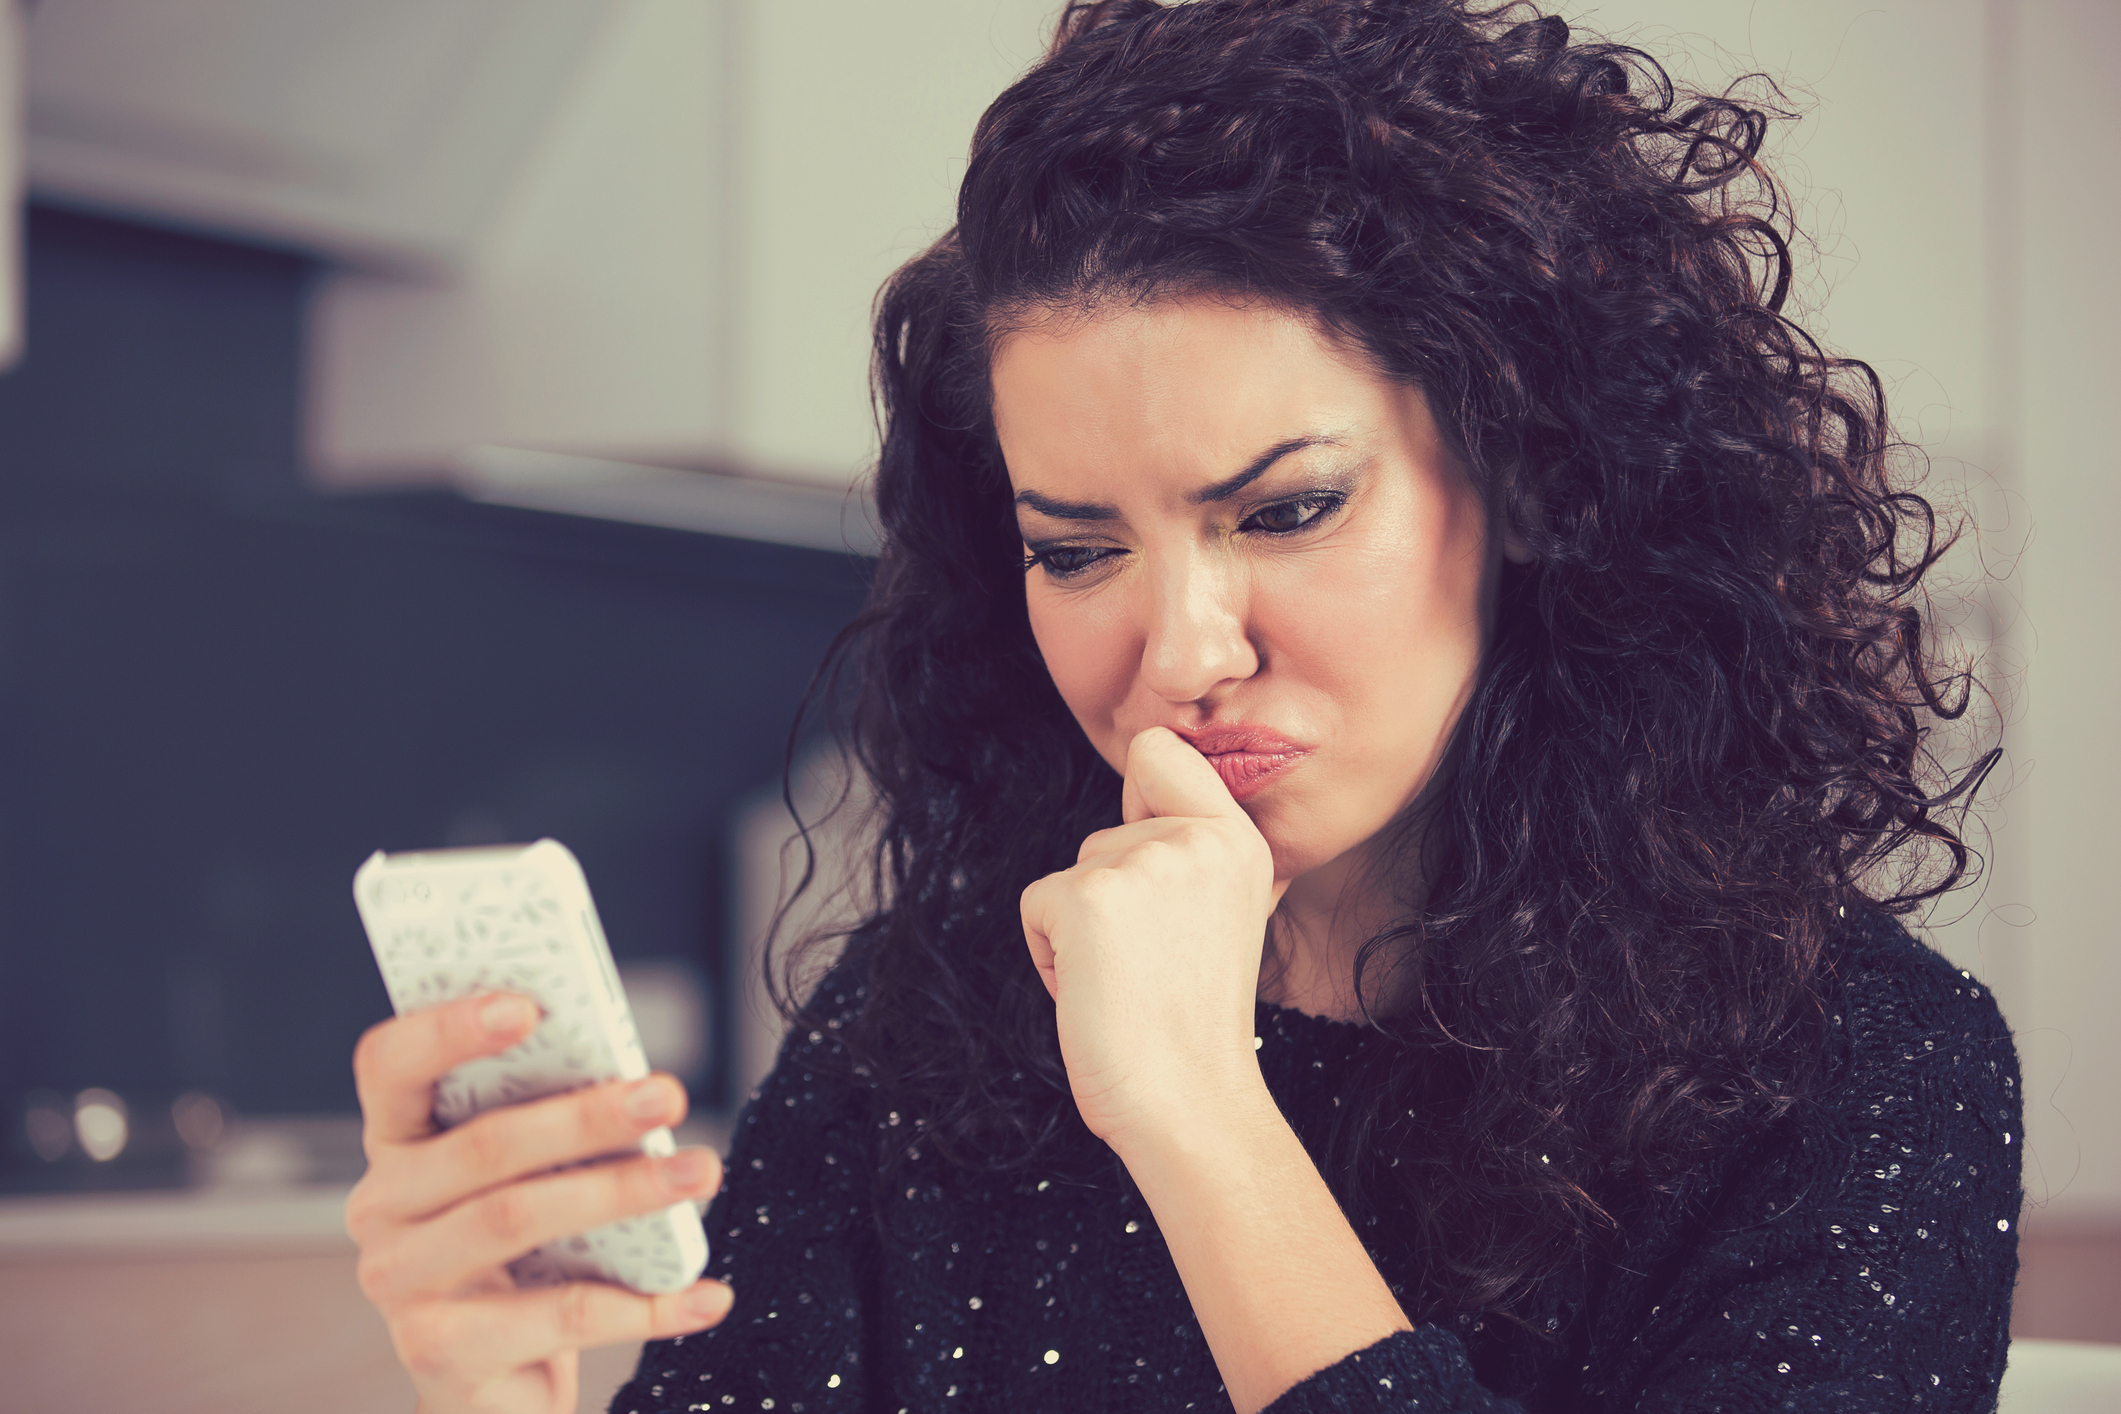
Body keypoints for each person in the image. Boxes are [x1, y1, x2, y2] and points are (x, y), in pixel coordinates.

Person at [344, 2, 2021, 1410]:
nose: (1176, 653)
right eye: (1076, 550)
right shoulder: (919, 1027)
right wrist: (509, 1393)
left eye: (1283, 511)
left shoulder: (1859, 1072)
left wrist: (1198, 1112)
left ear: (1526, 479)